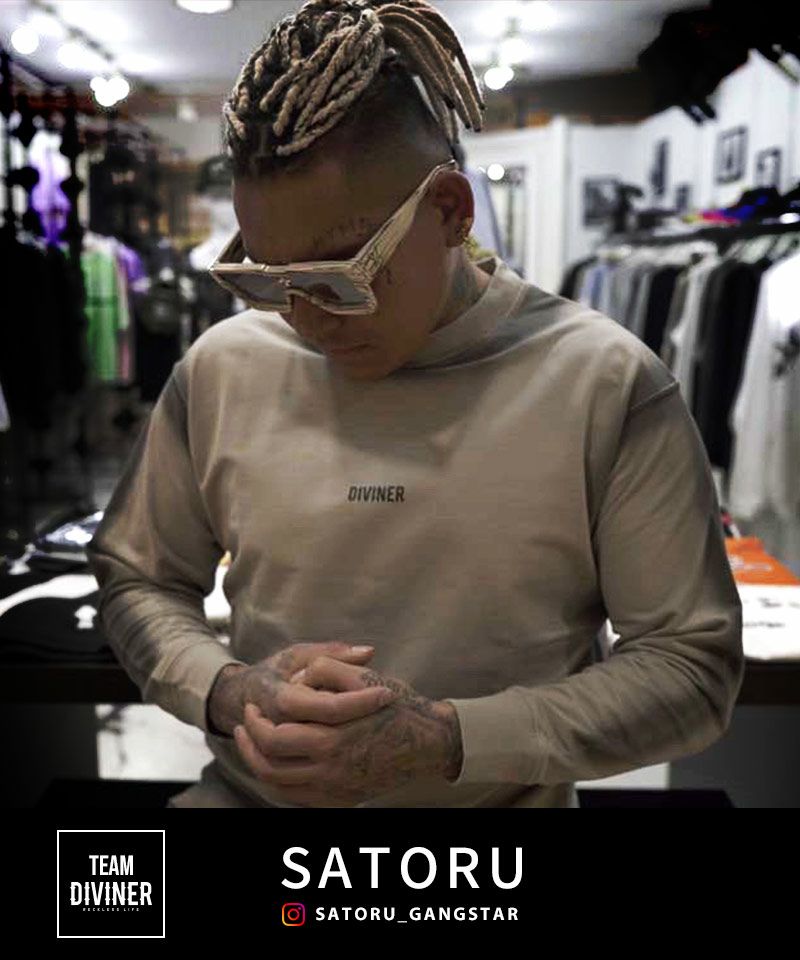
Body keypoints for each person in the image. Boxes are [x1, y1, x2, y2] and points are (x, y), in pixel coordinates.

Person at [87, 0, 744, 809]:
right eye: (270, 279)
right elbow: (137, 579)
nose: (306, 318)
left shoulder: (604, 382)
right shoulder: (223, 369)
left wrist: (450, 741)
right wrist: (226, 690)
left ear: (450, 211)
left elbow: (691, 667)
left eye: (341, 276)